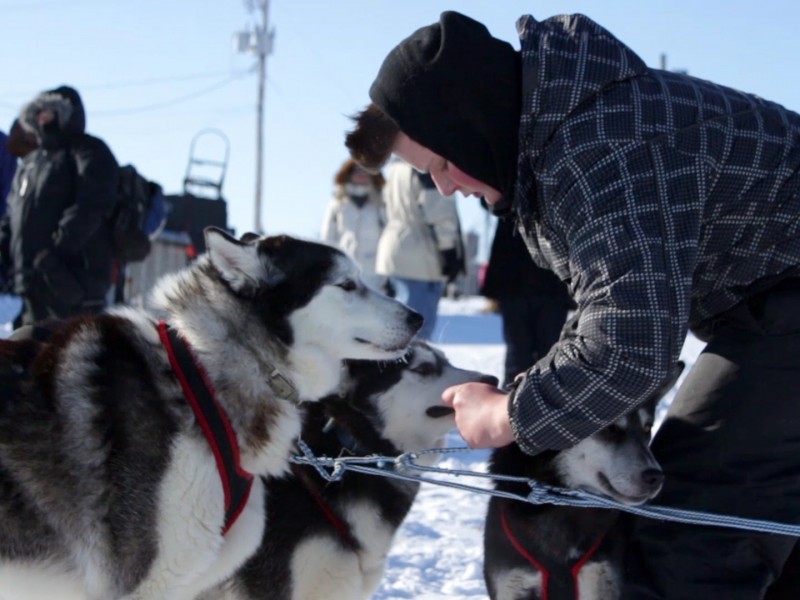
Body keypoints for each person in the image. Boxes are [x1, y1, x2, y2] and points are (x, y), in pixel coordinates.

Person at [344, 10, 800, 598]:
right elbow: (602, 315)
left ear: (467, 123)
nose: (446, 188)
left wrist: (507, 415)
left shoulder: (599, 147)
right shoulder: (573, 132)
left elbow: (631, 348)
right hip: (771, 307)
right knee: (758, 531)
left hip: (781, 308)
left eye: (437, 165)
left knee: (687, 532)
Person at [0, 85, 119, 327]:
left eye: (51, 111)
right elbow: (12, 217)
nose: (43, 118)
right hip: (32, 288)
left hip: (74, 287)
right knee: (25, 358)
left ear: (67, 113)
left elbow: (92, 204)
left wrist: (53, 254)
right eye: (39, 112)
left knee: (69, 361)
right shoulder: (32, 162)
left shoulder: (88, 150)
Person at [481, 214, 573, 387]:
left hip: (549, 279)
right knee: (520, 352)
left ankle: (546, 401)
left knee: (550, 351)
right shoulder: (511, 191)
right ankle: (511, 405)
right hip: (519, 277)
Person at [378, 157, 464, 341]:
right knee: (417, 333)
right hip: (421, 256)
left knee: (398, 328)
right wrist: (449, 250)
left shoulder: (395, 168)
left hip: (394, 251)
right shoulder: (427, 167)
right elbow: (439, 211)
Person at [320, 158, 387, 291]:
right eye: (358, 172)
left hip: (375, 272)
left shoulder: (381, 203)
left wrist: (388, 274)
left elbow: (388, 233)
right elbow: (328, 236)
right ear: (349, 175)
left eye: (366, 172)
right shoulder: (337, 203)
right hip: (345, 267)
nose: (362, 175)